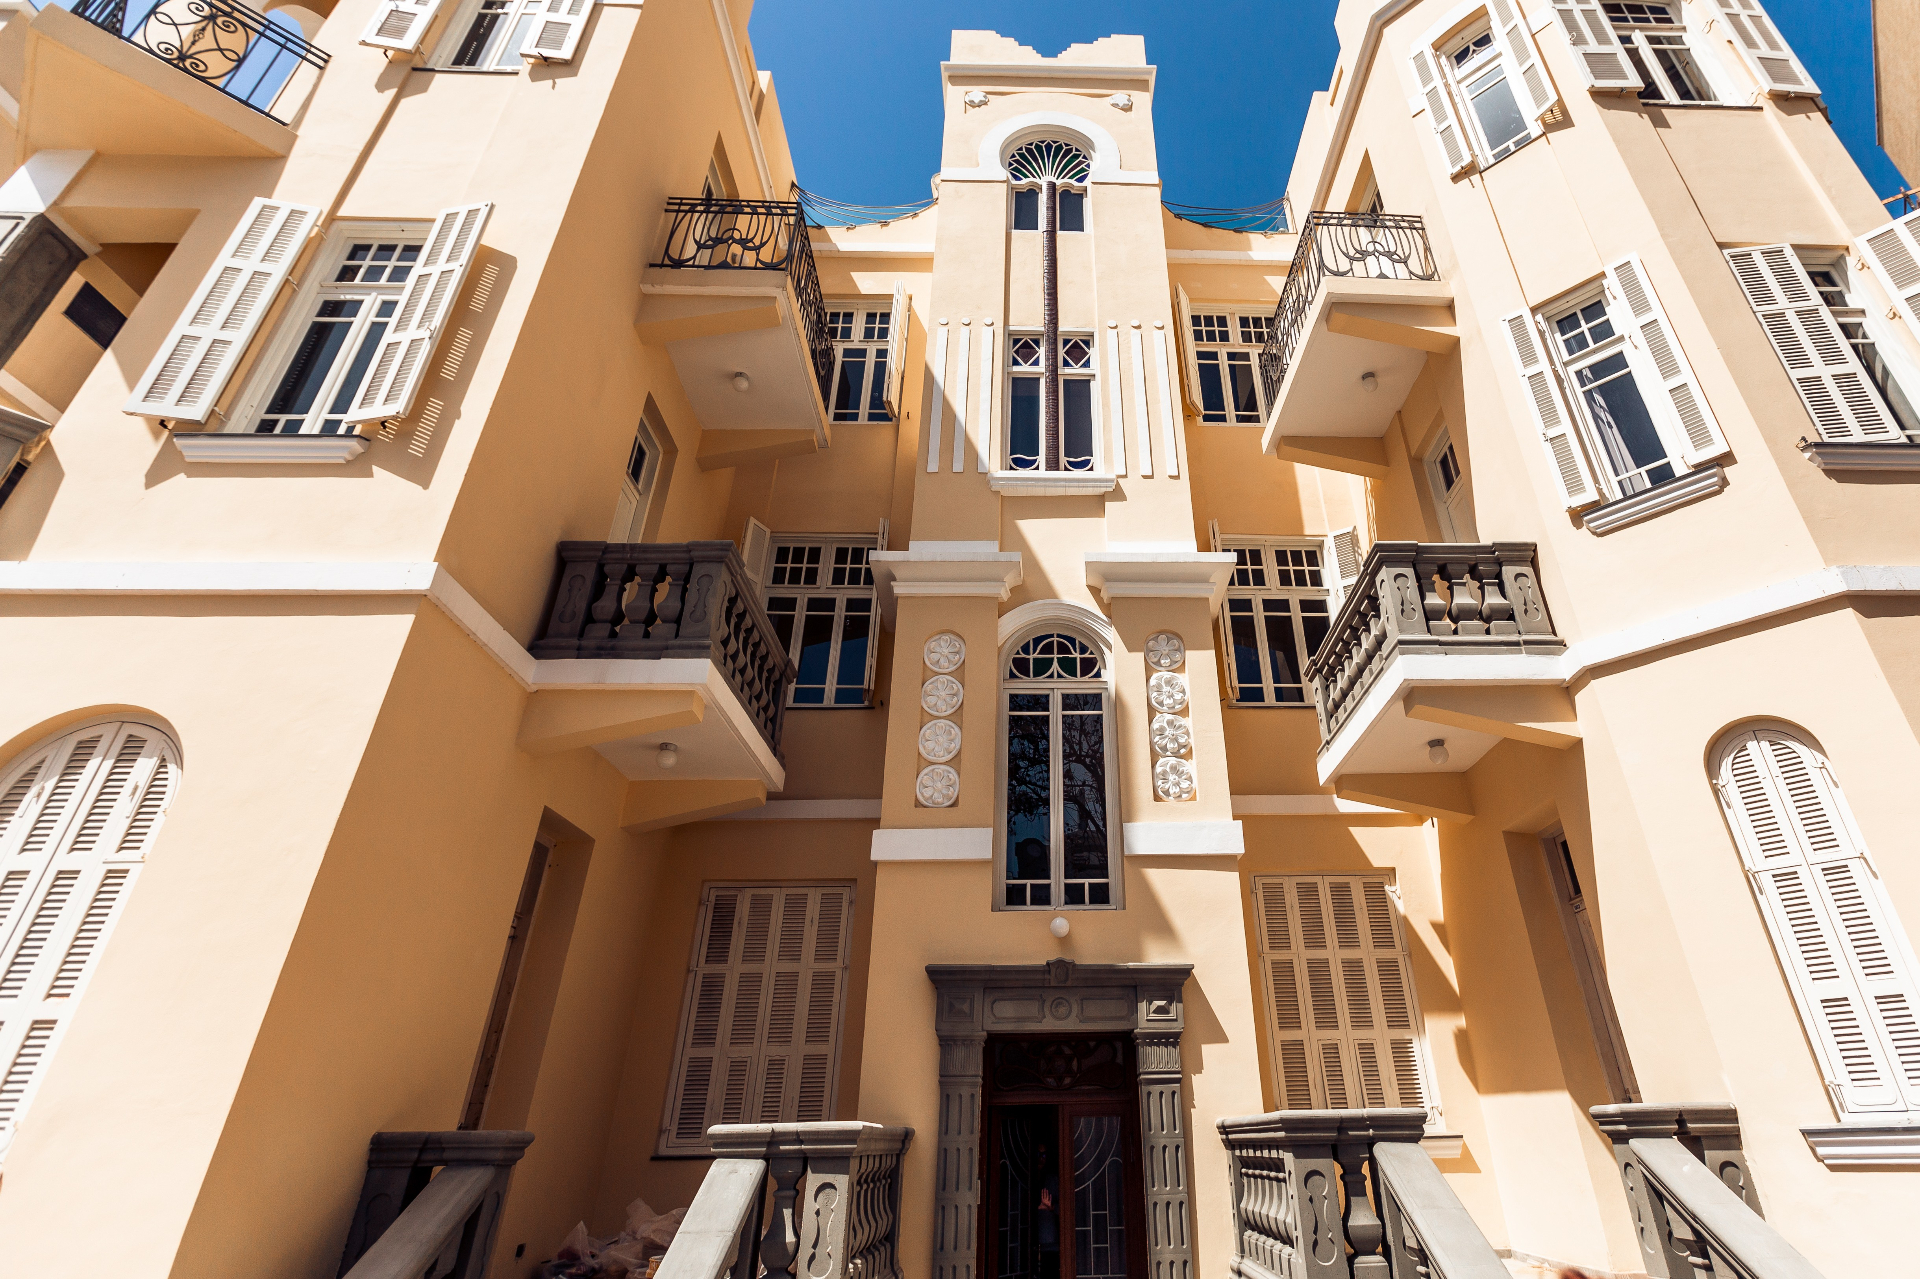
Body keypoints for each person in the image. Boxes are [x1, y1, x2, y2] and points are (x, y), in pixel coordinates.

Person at [1036, 1142, 1060, 1279]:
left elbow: (1067, 1209)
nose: (1041, 1158)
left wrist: (1051, 1207)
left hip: (1050, 1246)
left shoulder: (1052, 1180)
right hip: (1026, 1244)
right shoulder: (1022, 1177)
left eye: (1044, 1155)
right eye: (1038, 1154)